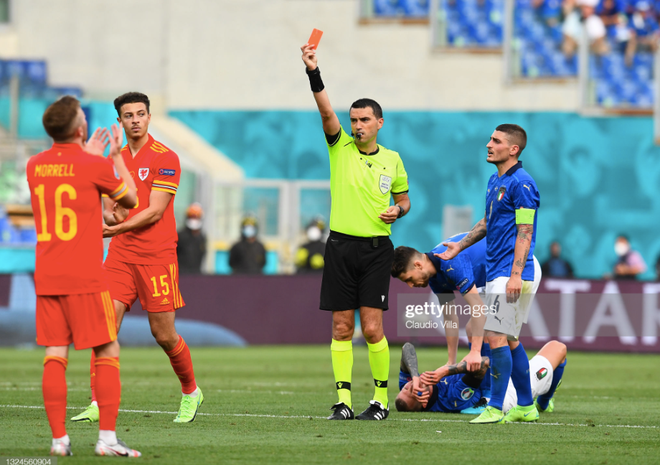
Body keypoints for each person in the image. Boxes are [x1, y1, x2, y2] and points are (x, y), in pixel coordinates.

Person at [71, 92, 203, 424]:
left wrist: (115, 228)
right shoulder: (112, 160)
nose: (135, 120)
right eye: (128, 115)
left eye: (140, 114)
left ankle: (191, 391)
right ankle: (98, 402)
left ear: (148, 117)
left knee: (164, 335)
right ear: (120, 121)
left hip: (157, 257)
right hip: (120, 257)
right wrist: (111, 219)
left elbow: (156, 211)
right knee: (103, 326)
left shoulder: (166, 157)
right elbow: (112, 209)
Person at [301, 41, 411, 421]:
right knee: (341, 325)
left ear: (379, 123)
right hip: (340, 247)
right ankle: (343, 402)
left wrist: (399, 209)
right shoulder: (340, 147)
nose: (357, 125)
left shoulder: (393, 160)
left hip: (377, 249)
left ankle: (379, 401)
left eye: (365, 120)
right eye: (354, 120)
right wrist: (313, 70)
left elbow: (405, 201)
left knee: (373, 326)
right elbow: (324, 108)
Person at [27, 96, 140, 456]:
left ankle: (59, 441)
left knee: (55, 352)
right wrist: (116, 156)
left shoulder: (34, 166)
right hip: (86, 276)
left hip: (47, 274)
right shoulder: (94, 165)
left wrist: (87, 153)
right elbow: (132, 199)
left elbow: (71, 183)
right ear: (80, 128)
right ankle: (106, 439)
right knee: (107, 347)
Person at [438, 124, 542, 424]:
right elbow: (487, 222)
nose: (488, 144)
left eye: (496, 141)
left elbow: (525, 230)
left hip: (510, 272)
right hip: (501, 271)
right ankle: (525, 406)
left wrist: (515, 274)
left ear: (513, 149)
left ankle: (495, 407)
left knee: (495, 336)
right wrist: (459, 245)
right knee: (508, 338)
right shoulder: (495, 180)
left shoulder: (522, 184)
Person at [395, 340, 567, 417]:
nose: (410, 385)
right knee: (558, 349)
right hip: (508, 390)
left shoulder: (412, 382)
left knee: (477, 328)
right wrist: (446, 371)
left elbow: (407, 348)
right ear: (424, 402)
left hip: (497, 376)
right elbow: (482, 364)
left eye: (405, 387)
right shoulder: (451, 399)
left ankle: (544, 402)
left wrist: (414, 374)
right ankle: (542, 400)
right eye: (412, 391)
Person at [177, 202, 207, 274]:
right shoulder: (180, 235)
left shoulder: (202, 237)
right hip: (181, 273)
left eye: (196, 217)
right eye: (192, 217)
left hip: (196, 273)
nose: (194, 219)